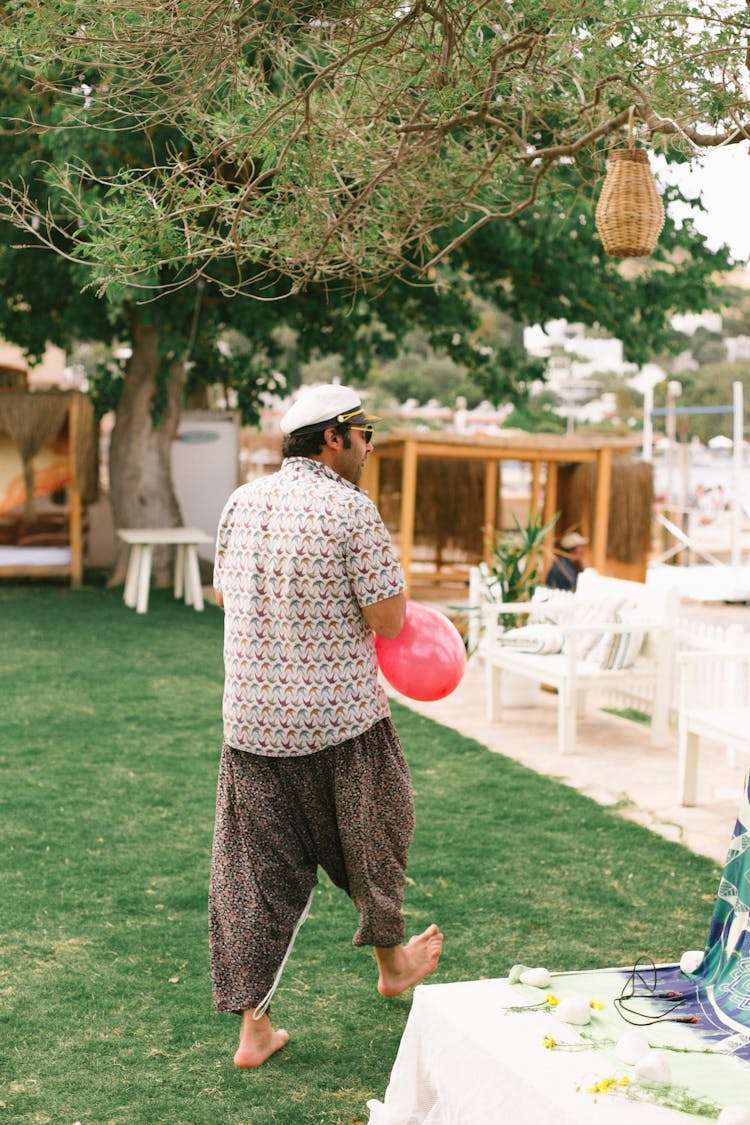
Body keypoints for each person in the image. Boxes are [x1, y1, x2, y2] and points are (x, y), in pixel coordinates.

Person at [208, 383, 444, 1069]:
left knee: (251, 878)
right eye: (365, 432)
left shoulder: (241, 500)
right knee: (376, 835)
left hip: (251, 724)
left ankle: (254, 1032)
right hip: (339, 721)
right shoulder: (351, 511)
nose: (372, 445)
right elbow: (390, 622)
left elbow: (226, 593)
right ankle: (392, 961)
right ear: (333, 437)